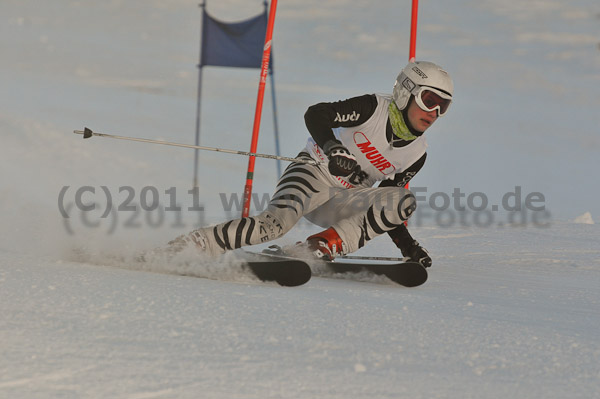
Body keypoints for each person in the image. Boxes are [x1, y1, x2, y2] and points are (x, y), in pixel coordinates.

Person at [169, 60, 453, 267]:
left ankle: (319, 246)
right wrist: (334, 149)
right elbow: (317, 114)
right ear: (407, 91)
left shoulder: (417, 154)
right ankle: (188, 247)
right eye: (429, 100)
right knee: (274, 226)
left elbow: (385, 205)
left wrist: (408, 246)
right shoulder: (372, 108)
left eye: (444, 106)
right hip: (312, 172)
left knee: (403, 200)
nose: (435, 112)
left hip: (344, 201)